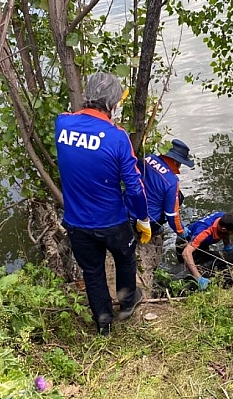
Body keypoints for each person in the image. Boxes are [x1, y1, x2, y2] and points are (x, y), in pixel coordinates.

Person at [56, 72, 151, 336]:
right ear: (112, 104)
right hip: (112, 222)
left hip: (77, 223)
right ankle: (128, 303)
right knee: (125, 259)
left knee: (92, 271)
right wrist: (143, 219)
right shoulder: (117, 137)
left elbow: (73, 121)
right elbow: (134, 186)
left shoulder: (62, 124)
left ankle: (103, 322)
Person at [138, 139, 195, 237]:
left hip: (129, 209)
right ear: (177, 162)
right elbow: (171, 215)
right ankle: (155, 230)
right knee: (178, 198)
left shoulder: (146, 157)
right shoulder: (172, 182)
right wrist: (181, 231)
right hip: (147, 221)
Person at [176, 212, 233, 290]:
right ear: (223, 229)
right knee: (187, 265)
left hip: (202, 241)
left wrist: (227, 246)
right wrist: (198, 278)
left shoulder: (224, 218)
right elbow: (186, 253)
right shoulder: (204, 233)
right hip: (186, 241)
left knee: (203, 258)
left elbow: (225, 233)